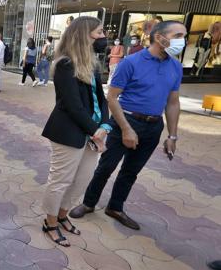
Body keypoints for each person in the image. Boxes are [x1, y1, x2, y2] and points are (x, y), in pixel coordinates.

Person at [70, 21, 186, 230]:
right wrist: (126, 129)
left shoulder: (176, 66)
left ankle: (115, 207)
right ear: (159, 36)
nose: (182, 41)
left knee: (131, 171)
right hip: (125, 120)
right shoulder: (131, 62)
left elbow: (173, 102)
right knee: (106, 167)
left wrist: (173, 136)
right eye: (177, 35)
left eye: (183, 36)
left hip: (153, 126)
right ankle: (88, 203)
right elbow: (112, 98)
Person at [41, 16, 110, 247]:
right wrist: (96, 131)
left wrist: (106, 125)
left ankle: (63, 215)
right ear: (84, 34)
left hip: (92, 132)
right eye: (99, 32)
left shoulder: (91, 62)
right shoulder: (65, 64)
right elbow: (72, 105)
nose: (103, 37)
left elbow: (101, 99)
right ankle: (50, 223)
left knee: (81, 180)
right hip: (68, 132)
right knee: (61, 180)